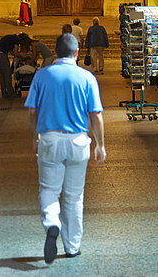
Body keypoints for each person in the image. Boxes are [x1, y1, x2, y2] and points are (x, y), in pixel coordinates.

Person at [25, 32, 106, 263]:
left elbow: (31, 110)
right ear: (77, 52)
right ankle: (72, 246)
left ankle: (52, 222)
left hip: (49, 139)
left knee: (49, 189)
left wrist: (35, 136)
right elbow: (96, 115)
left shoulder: (42, 76)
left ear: (55, 52)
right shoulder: (87, 77)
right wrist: (100, 144)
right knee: (74, 196)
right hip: (78, 141)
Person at [0, 32, 28, 98]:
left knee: (3, 75)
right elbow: (15, 53)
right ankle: (11, 94)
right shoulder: (16, 40)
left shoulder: (11, 38)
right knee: (7, 75)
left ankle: (4, 93)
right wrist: (21, 56)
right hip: (2, 55)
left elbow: (12, 52)